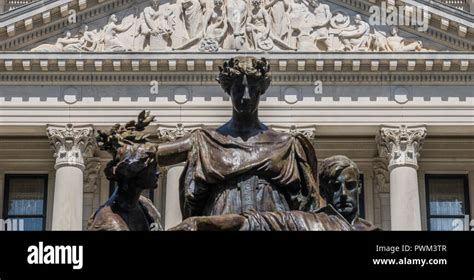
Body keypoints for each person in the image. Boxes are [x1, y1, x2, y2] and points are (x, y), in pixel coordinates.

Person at [156, 57, 319, 219]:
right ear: (229, 90)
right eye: (239, 89)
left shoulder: (286, 144)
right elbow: (151, 154)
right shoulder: (205, 140)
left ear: (261, 90)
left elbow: (306, 208)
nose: (246, 96)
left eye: (253, 88)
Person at [88, 113, 162, 231]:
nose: (158, 172)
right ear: (135, 173)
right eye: (152, 167)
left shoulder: (145, 205)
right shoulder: (111, 224)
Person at [318, 155, 380, 230]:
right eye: (335, 186)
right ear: (322, 191)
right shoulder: (309, 223)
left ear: (359, 187)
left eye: (350, 185)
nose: (343, 193)